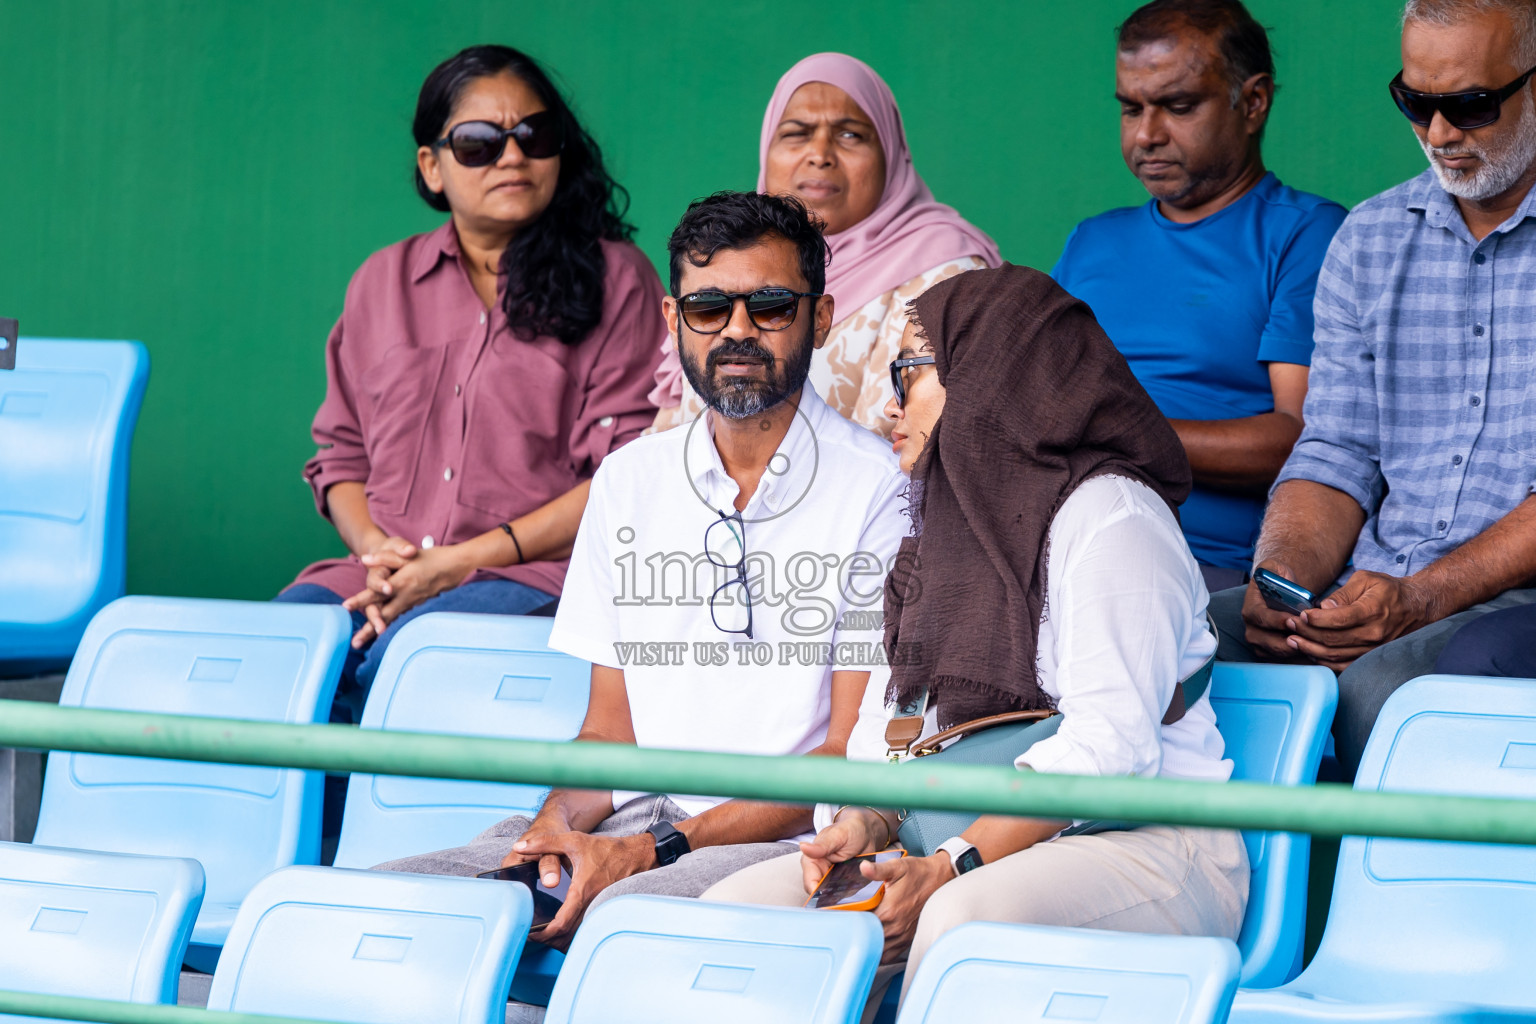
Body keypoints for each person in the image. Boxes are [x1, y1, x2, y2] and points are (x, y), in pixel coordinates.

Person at [376, 193, 910, 997]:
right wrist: (557, 825)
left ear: (821, 316)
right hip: (629, 823)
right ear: (673, 317)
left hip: (777, 843)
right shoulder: (629, 479)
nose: (737, 330)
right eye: (707, 306)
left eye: (769, 306)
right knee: (393, 907)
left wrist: (654, 851)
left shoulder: (880, 489)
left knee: (627, 930)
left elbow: (842, 759)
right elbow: (606, 733)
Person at [704, 265, 1248, 1020]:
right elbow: (883, 742)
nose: (890, 404)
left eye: (911, 375)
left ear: (990, 376)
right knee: (732, 917)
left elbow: (1110, 754)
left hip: (1150, 846)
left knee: (958, 924)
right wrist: (866, 824)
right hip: (948, 838)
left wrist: (948, 866)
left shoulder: (1114, 519)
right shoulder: (932, 529)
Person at [277, 45, 663, 708]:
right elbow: (342, 458)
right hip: (382, 571)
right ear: (432, 167)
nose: (512, 157)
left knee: (406, 663)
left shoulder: (618, 279)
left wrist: (452, 565)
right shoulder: (382, 282)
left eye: (534, 136)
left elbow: (625, 476)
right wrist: (383, 558)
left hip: (535, 576)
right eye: (479, 143)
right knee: (278, 656)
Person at [1213, 0, 1536, 779]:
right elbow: (1337, 451)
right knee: (1177, 640)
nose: (1437, 134)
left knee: (1383, 690)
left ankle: (1358, 903)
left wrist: (1421, 598)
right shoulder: (1370, 236)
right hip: (1378, 583)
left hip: (1508, 598)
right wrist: (1283, 581)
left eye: (1470, 106)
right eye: (1414, 102)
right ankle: (1180, 890)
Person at [1053, 0, 1347, 592]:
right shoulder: (1092, 242)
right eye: (1130, 109)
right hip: (1055, 543)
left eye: (1178, 106)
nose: (1146, 134)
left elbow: (1306, 436)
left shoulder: (1307, 234)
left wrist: (1118, 428)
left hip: (1197, 568)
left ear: (1253, 102)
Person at [649, 52, 999, 436]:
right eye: (797, 133)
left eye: (850, 134)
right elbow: (669, 445)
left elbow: (901, 446)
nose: (819, 155)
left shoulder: (949, 273)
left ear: (892, 154)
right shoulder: (724, 262)